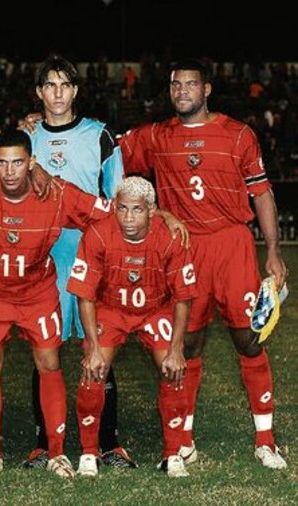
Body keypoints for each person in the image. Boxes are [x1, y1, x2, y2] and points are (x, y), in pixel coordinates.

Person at [120, 58, 288, 469]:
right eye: (176, 85)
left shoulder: (237, 134)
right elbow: (107, 155)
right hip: (184, 249)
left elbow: (262, 194)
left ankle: (265, 440)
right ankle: (183, 439)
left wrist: (274, 251)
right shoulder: (156, 135)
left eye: (190, 85)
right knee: (186, 344)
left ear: (206, 89)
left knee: (250, 340)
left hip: (232, 246)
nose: (181, 92)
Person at [0, 129, 112, 479]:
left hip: (37, 292)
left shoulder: (55, 192)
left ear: (32, 162)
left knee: (49, 361)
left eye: (18, 162)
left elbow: (106, 213)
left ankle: (57, 453)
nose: (10, 171)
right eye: (2, 163)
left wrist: (159, 218)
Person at [21, 55, 130, 470]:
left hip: (90, 258)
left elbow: (119, 199)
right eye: (49, 85)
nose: (58, 93)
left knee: (97, 347)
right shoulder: (25, 138)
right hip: (44, 261)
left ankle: (107, 441)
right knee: (45, 352)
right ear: (39, 93)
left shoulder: (100, 136)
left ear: (76, 91)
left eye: (65, 84)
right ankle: (45, 442)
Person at [68, 176, 195, 478]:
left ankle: (172, 454)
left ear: (152, 211)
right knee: (93, 369)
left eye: (137, 210)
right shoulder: (98, 234)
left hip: (155, 310)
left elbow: (183, 298)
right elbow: (84, 295)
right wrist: (94, 348)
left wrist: (176, 349)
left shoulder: (171, 238)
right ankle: (88, 453)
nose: (128, 217)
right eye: (122, 208)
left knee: (173, 369)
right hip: (111, 310)